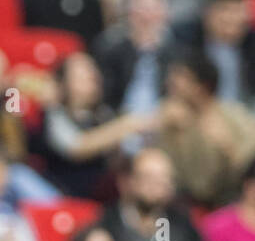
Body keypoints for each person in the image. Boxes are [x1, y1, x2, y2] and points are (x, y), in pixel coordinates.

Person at [34, 52, 160, 199]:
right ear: (63, 83)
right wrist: (126, 126)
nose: (92, 77)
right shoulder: (54, 114)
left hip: (99, 194)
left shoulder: (103, 114)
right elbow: (76, 147)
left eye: (93, 71)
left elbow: (115, 161)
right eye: (82, 74)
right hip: (60, 193)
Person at [157, 55, 255, 209]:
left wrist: (227, 146)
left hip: (233, 201)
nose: (172, 82)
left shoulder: (235, 116)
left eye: (181, 77)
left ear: (201, 86)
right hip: (184, 204)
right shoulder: (169, 119)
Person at [93, 0, 178, 114]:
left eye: (155, 8)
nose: (147, 16)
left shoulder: (178, 56)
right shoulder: (109, 51)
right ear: (128, 13)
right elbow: (104, 97)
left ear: (167, 15)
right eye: (140, 8)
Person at [173, 0, 255, 106]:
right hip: (198, 108)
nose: (232, 17)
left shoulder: (254, 44)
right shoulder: (187, 40)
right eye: (225, 11)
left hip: (242, 112)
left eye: (237, 12)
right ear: (208, 14)